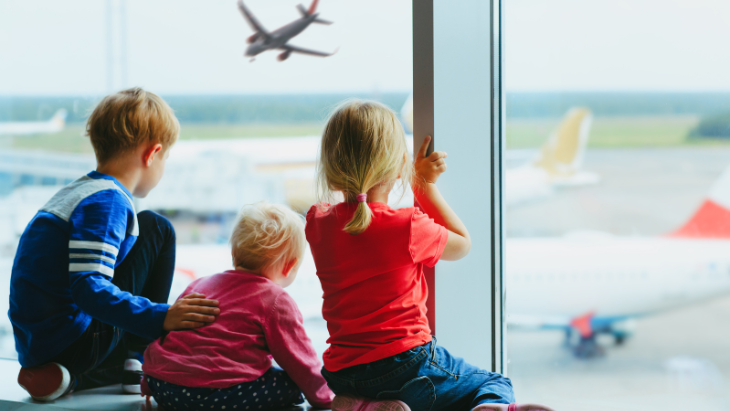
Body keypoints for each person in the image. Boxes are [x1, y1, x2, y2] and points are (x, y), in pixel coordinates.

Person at [305, 100, 554, 411]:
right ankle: (489, 406)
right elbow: (462, 244)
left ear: (330, 170)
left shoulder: (317, 223)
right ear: (398, 168)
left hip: (341, 374)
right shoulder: (407, 226)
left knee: (379, 388)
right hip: (406, 366)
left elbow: (357, 231)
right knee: (494, 382)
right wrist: (423, 186)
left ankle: (363, 406)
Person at [8, 87, 221, 401]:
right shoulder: (108, 202)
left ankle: (63, 378)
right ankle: (136, 359)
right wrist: (160, 317)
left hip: (38, 344)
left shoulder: (77, 192)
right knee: (156, 228)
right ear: (152, 154)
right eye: (166, 158)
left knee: (144, 230)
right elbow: (88, 287)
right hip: (72, 342)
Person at [141, 202, 334, 410]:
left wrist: (150, 382)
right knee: (290, 382)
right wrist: (323, 397)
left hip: (163, 386)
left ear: (234, 253)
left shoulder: (199, 284)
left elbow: (171, 337)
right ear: (289, 266)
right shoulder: (276, 300)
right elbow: (301, 361)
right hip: (216, 396)